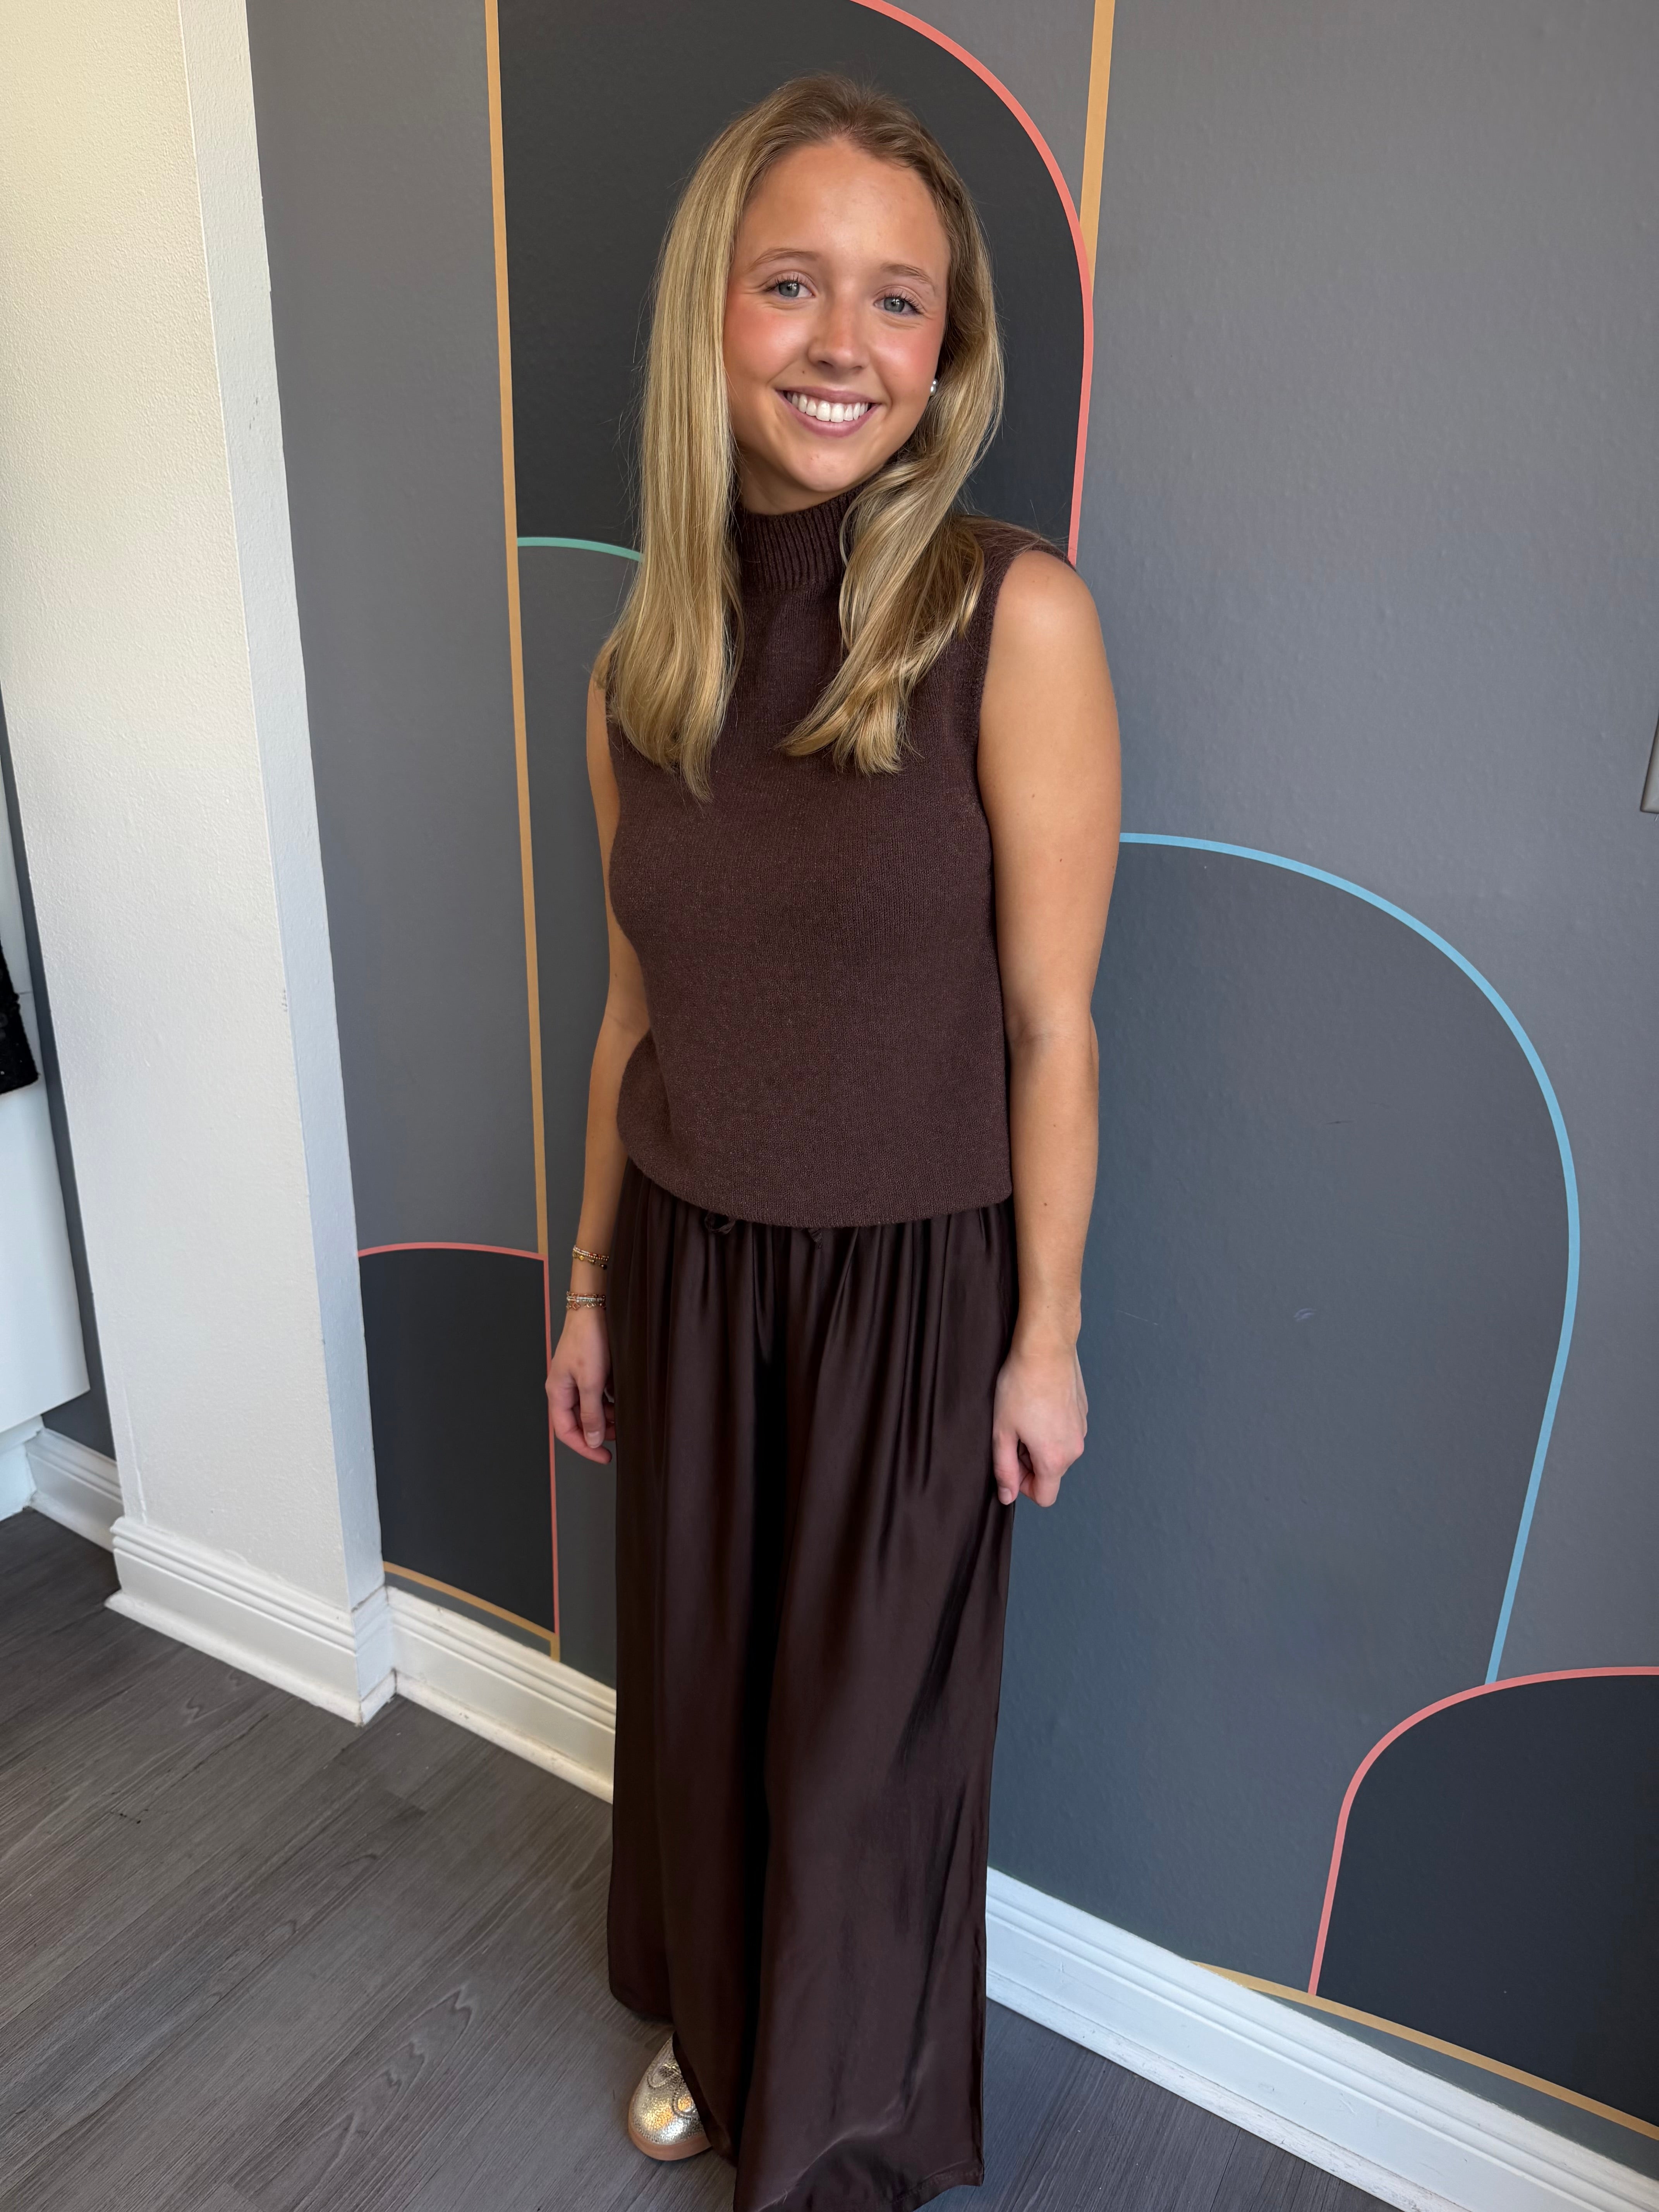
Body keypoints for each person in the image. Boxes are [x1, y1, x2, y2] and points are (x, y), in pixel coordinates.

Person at [545, 71, 1120, 2212]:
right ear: (715, 308)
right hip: (692, 1267)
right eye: (793, 284)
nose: (844, 345)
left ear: (948, 352)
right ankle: (719, 2032)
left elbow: (1054, 1025)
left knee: (867, 1753)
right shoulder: (639, 666)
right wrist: (591, 1285)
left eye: (900, 300)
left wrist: (1045, 1338)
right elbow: (635, 1015)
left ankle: (842, 2131)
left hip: (913, 1292)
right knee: (705, 1707)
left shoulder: (1014, 621)